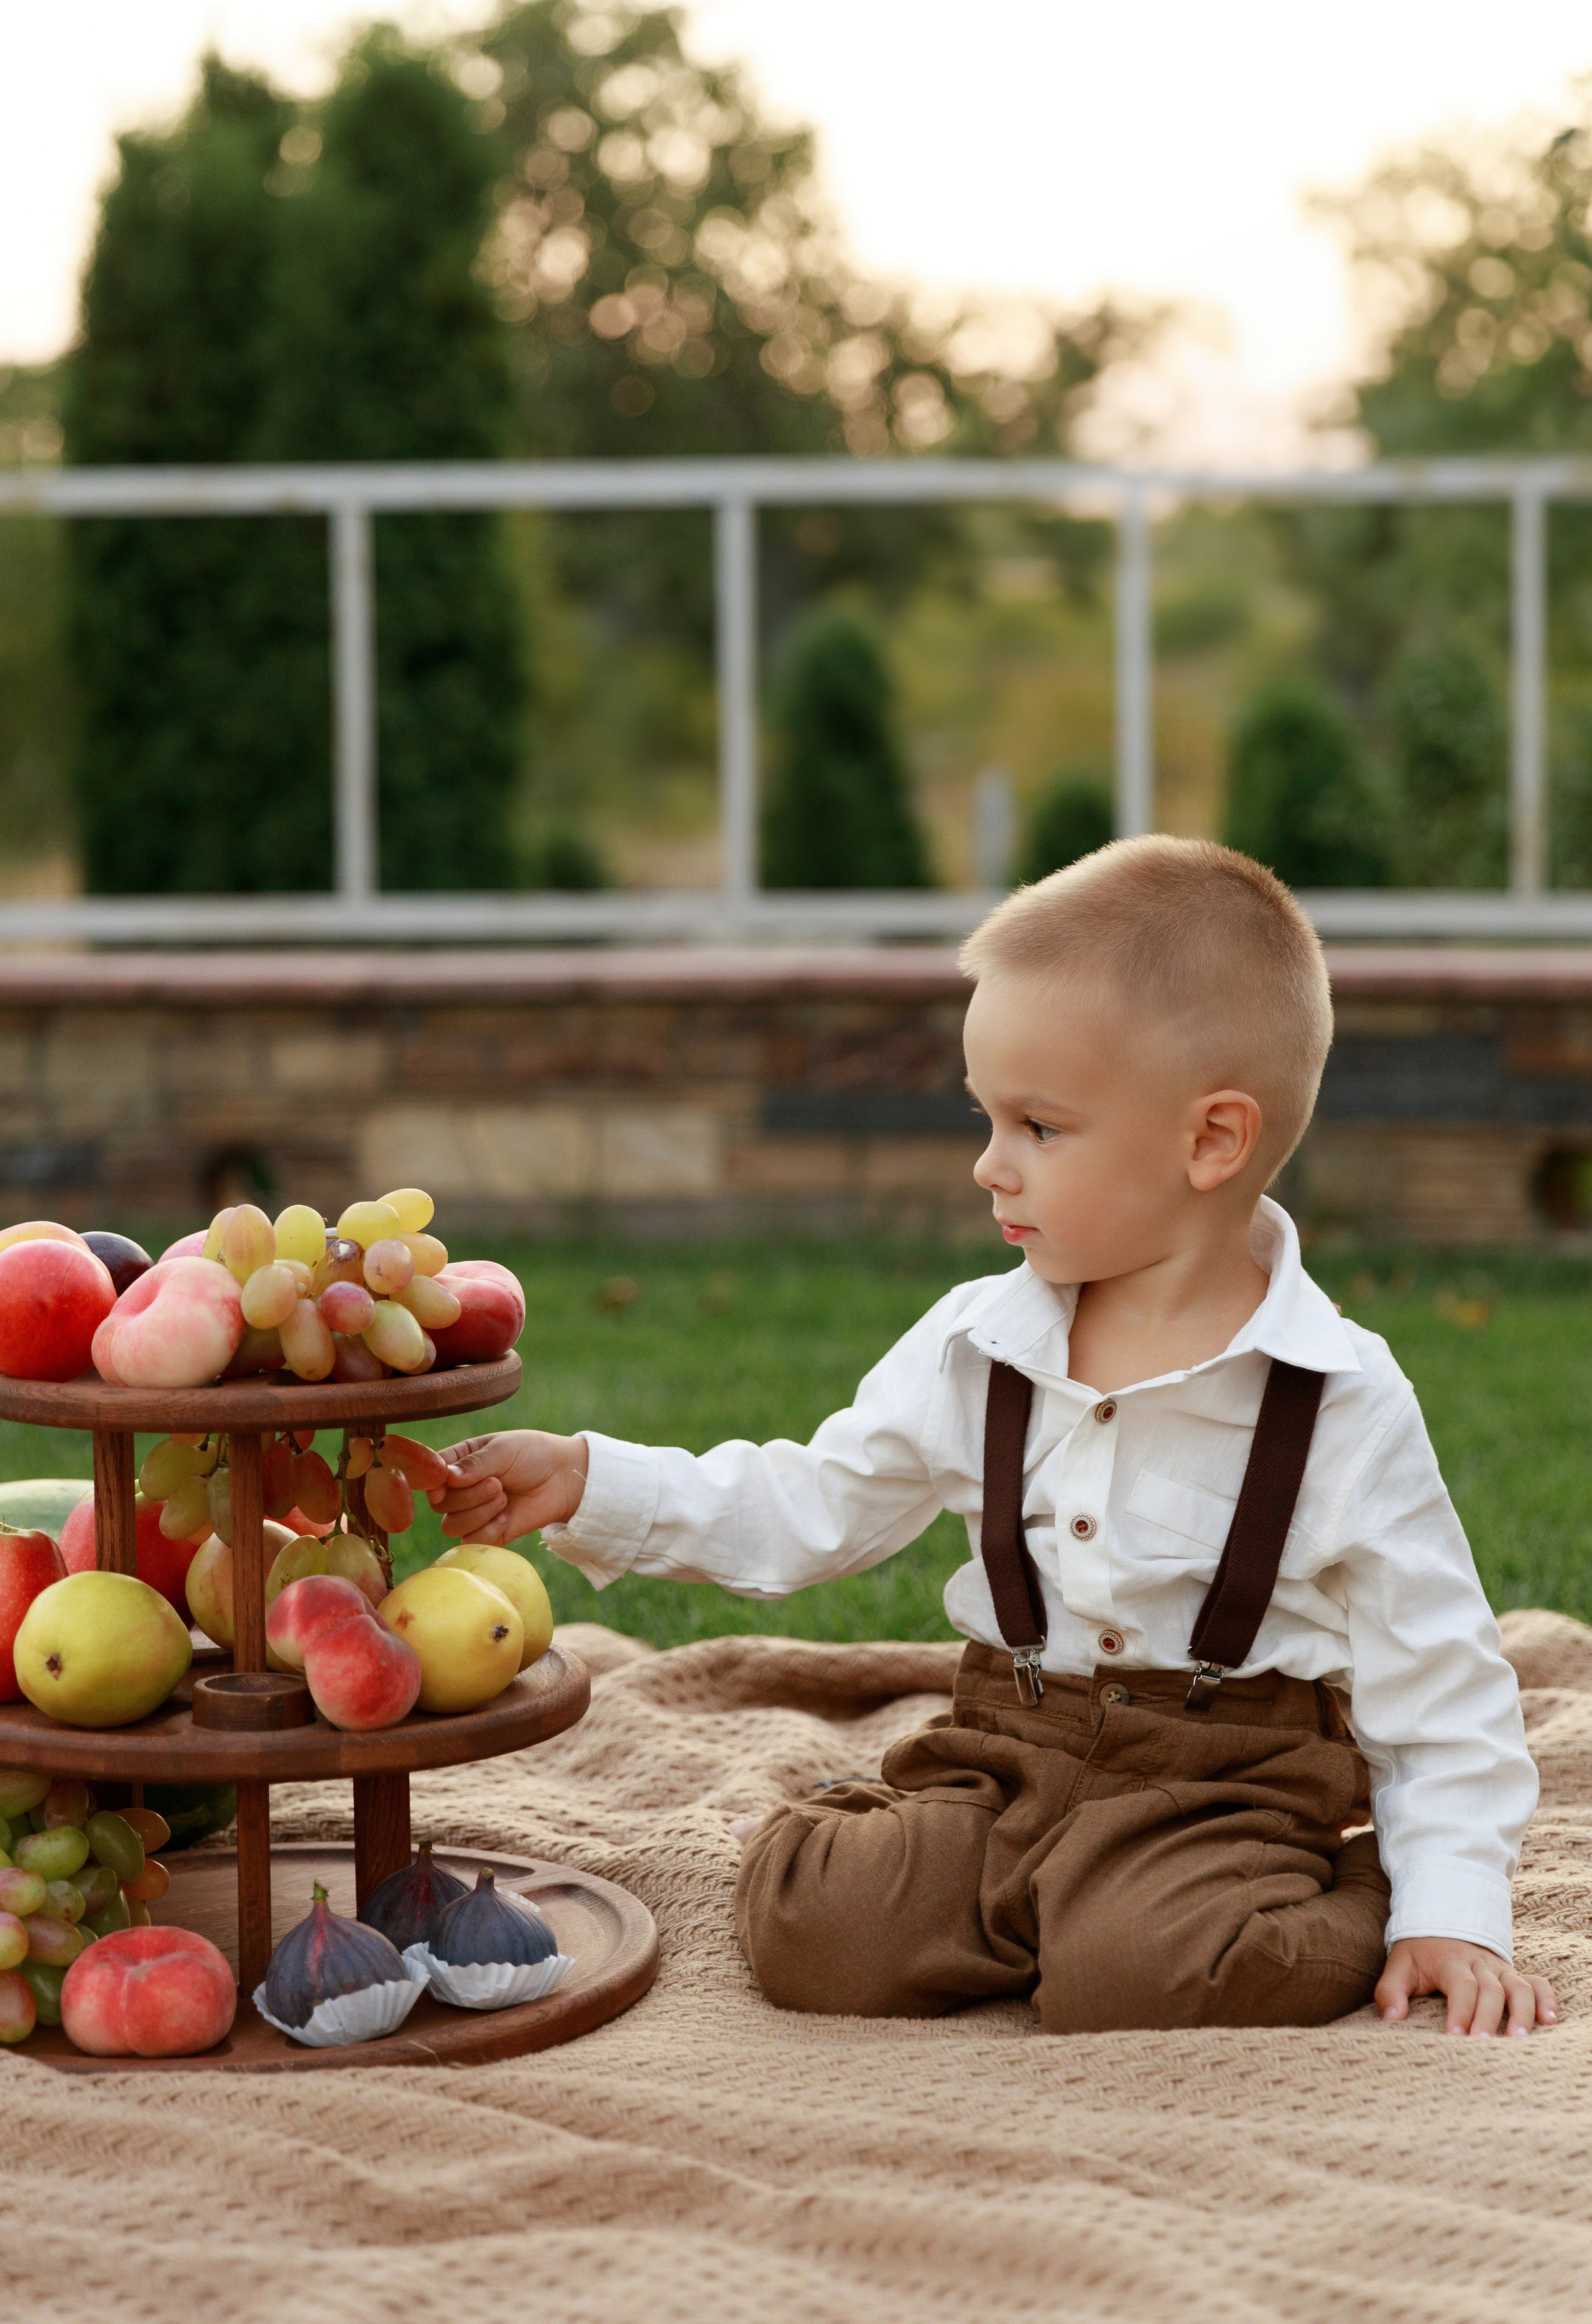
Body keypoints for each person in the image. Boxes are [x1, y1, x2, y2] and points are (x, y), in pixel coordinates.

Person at [435, 836, 1555, 2038]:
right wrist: (590, 1482)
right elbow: (813, 1503)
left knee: (1146, 1979)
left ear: (1212, 1142)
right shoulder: (980, 1343)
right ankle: (1023, 1900)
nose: (988, 1164)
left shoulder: (1335, 1398)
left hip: (1221, 1790)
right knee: (816, 1926)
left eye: (1039, 1127)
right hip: (1007, 1748)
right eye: (987, 1118)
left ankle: (1345, 1886)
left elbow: (1438, 1678)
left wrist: (1454, 1906)